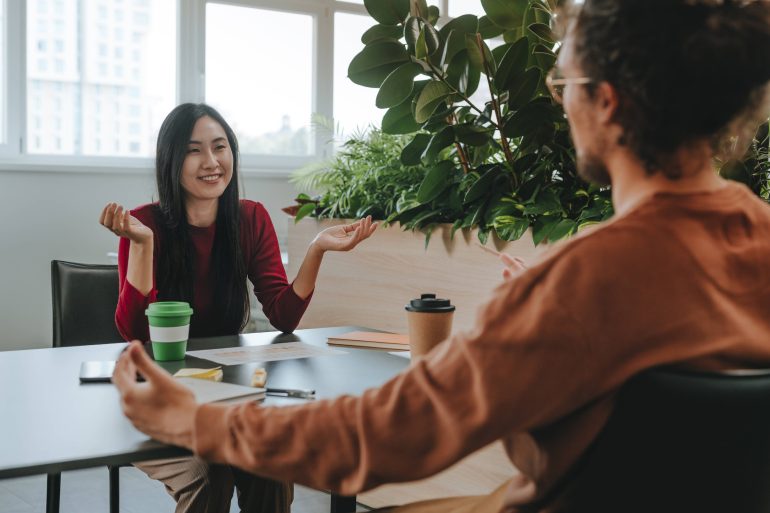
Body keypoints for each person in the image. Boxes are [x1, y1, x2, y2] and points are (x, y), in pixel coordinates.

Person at [112, 1, 770, 512]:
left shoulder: (584, 284)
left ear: (606, 100)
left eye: (563, 78)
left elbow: (390, 432)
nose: (558, 97)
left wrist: (201, 420)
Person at [99, 103, 376, 513]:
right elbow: (136, 335)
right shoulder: (142, 225)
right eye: (195, 150)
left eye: (220, 147)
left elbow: (282, 315)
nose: (211, 162)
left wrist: (317, 249)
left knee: (271, 465)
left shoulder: (250, 219)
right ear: (171, 160)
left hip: (226, 395)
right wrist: (143, 245)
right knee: (210, 476)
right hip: (157, 395)